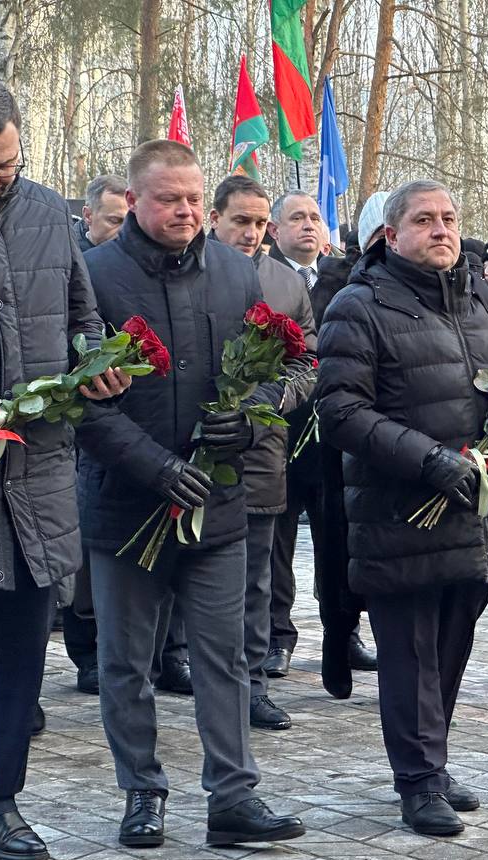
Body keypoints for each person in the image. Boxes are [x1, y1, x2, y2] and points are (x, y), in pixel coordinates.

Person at [78, 139, 305, 848]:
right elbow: (79, 400)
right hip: (127, 505)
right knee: (126, 662)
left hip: (217, 504)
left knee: (224, 655)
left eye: (193, 199)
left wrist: (254, 416)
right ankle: (141, 792)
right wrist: (153, 467)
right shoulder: (93, 277)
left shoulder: (237, 272)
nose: (185, 211)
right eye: (168, 199)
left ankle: (233, 797)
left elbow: (287, 368)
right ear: (133, 202)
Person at [317, 180, 488, 837]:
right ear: (392, 234)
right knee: (409, 651)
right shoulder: (360, 304)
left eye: (449, 219)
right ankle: (418, 779)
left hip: (476, 507)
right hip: (399, 508)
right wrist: (428, 460)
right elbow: (340, 411)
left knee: (452, 644)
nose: (441, 230)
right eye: (424, 220)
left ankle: (433, 760)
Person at [0, 78, 128, 860]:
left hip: (36, 477)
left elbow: (82, 316)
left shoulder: (43, 215)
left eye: (7, 164)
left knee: (20, 661)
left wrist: (95, 366)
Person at [209, 175, 318, 731]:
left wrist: (270, 399)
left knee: (255, 579)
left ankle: (252, 686)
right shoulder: (191, 269)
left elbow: (308, 360)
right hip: (197, 445)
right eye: (240, 222)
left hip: (261, 447)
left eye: (259, 224)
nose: (251, 233)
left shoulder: (286, 283)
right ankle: (177, 660)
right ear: (215, 220)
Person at [266, 190, 376, 687]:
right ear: (274, 230)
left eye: (315, 217)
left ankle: (343, 630)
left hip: (332, 437)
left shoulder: (345, 280)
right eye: (297, 217)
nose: (309, 225)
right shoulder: (263, 277)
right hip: (278, 432)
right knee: (277, 544)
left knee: (337, 541)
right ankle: (277, 636)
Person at [64, 171, 132, 693]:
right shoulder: (79, 267)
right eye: (113, 220)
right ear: (88, 217)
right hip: (76, 433)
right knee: (84, 556)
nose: (122, 229)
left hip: (130, 425)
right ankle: (86, 652)